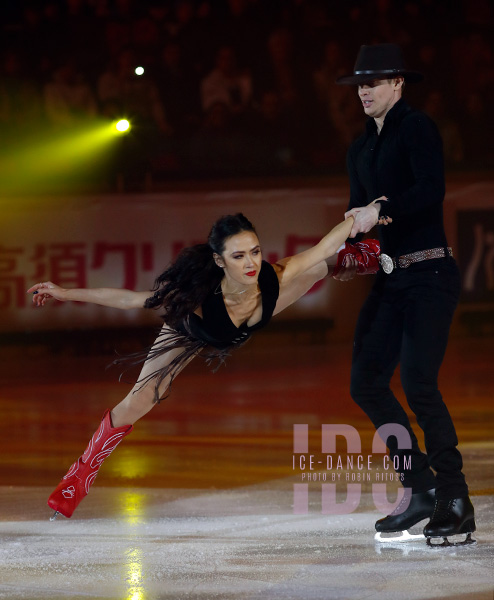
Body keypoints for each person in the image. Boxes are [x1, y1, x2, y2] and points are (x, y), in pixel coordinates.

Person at [28, 213, 380, 520]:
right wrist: (66, 293)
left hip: (249, 320)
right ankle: (77, 480)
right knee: (142, 398)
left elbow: (320, 248)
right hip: (193, 330)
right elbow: (130, 300)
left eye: (255, 252)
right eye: (238, 256)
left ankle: (357, 258)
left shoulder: (271, 275)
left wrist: (364, 215)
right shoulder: (195, 299)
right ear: (220, 260)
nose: (250, 264)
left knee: (316, 265)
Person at [335, 43, 475, 547]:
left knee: (419, 385)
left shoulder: (417, 127)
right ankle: (419, 489)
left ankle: (455, 500)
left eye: (375, 82)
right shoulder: (359, 148)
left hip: (430, 274)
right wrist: (349, 249)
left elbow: (430, 189)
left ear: (398, 84)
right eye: (360, 83)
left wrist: (381, 209)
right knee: (367, 381)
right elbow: (358, 217)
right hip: (391, 280)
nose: (365, 90)